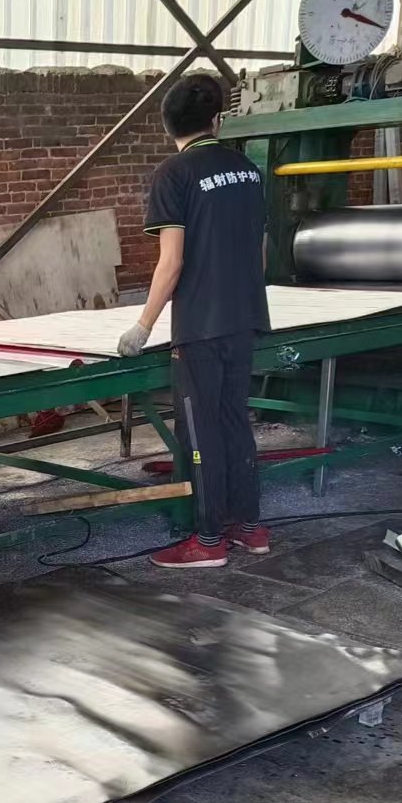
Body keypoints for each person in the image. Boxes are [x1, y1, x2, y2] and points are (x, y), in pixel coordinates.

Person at [117, 73, 271, 569]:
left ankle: (207, 541)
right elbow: (260, 250)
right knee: (234, 422)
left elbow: (172, 262)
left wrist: (143, 326)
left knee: (201, 432)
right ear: (217, 120)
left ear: (167, 125)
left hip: (200, 327)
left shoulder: (175, 173)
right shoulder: (249, 171)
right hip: (244, 318)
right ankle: (250, 527)